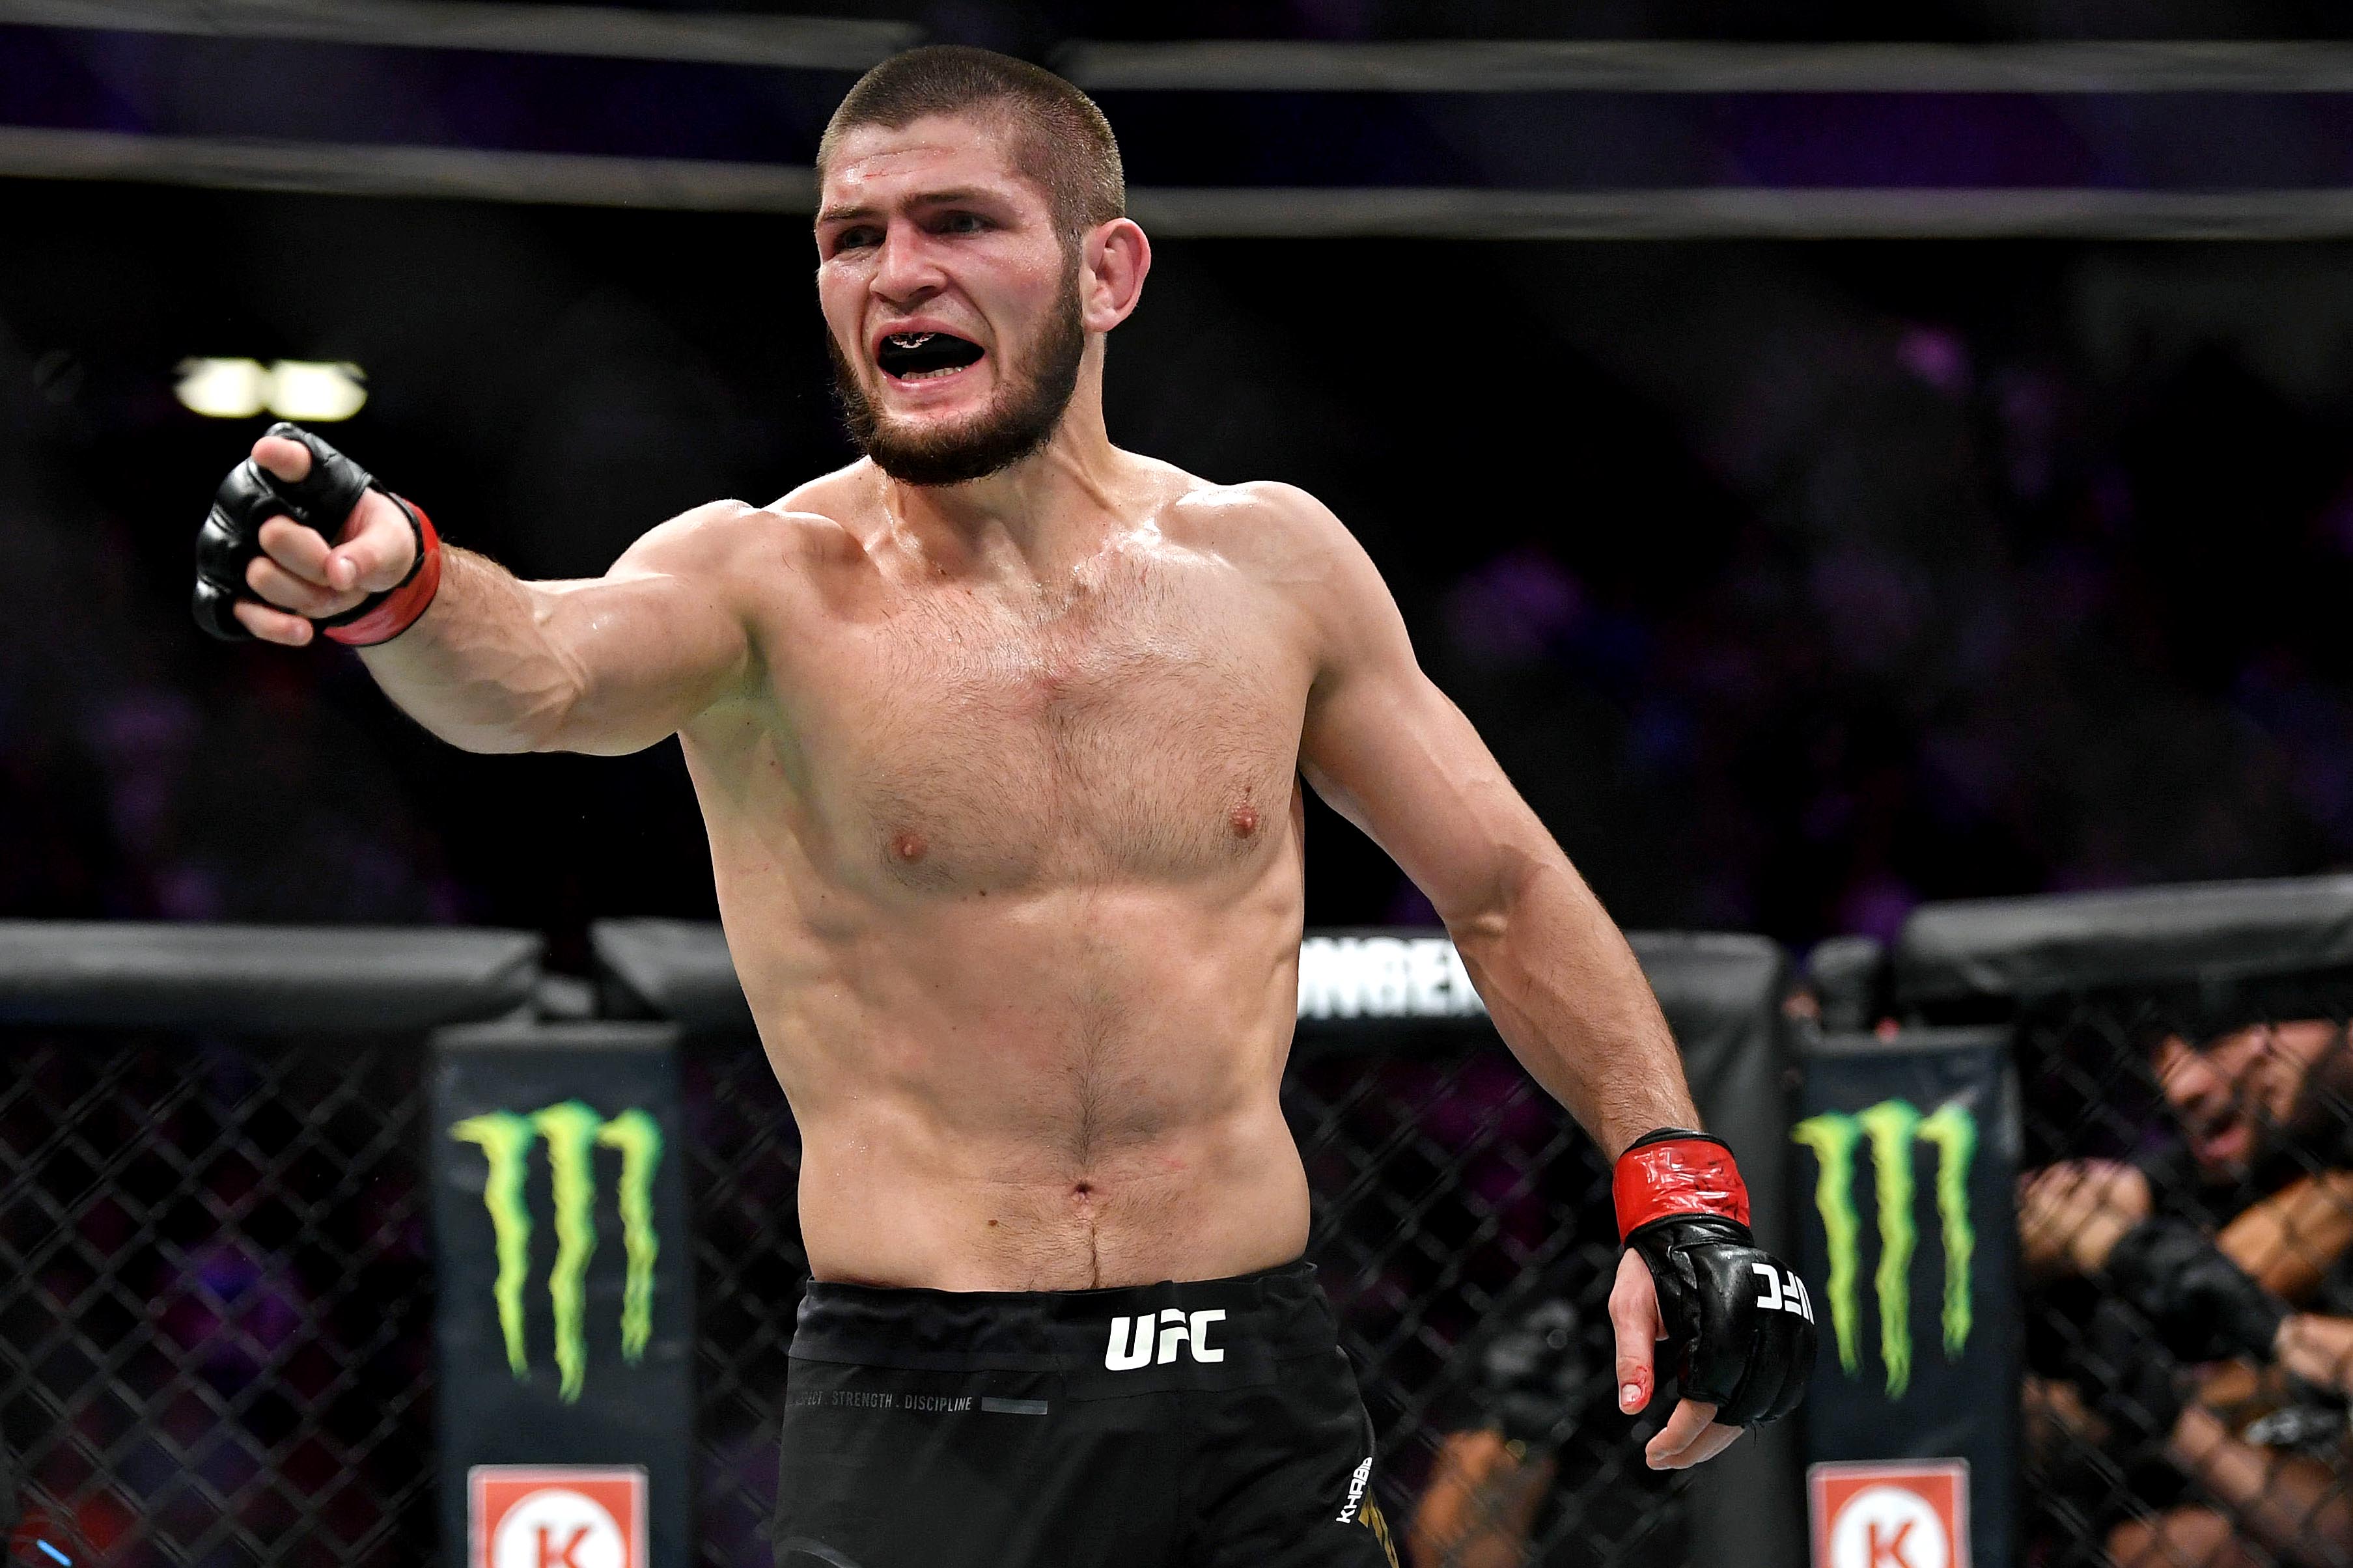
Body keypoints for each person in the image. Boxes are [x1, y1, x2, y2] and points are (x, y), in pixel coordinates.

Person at [188, 46, 1811, 1568]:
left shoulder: (1275, 566)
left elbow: (1504, 886)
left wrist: (1677, 1191)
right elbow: (538, 673)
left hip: (1254, 1388)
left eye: (959, 222)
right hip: (923, 1412)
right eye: (853, 237)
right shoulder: (758, 582)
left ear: (1109, 273)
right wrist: (400, 582)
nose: (897, 273)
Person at [2016, 1017, 2353, 1568]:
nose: (2180, 1086)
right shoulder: (2194, 1177)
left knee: (2201, 1546)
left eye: (2218, 1036)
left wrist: (2133, 1254)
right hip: (2164, 1469)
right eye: (2160, 1053)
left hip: (2282, 1490)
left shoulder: (2330, 1188)